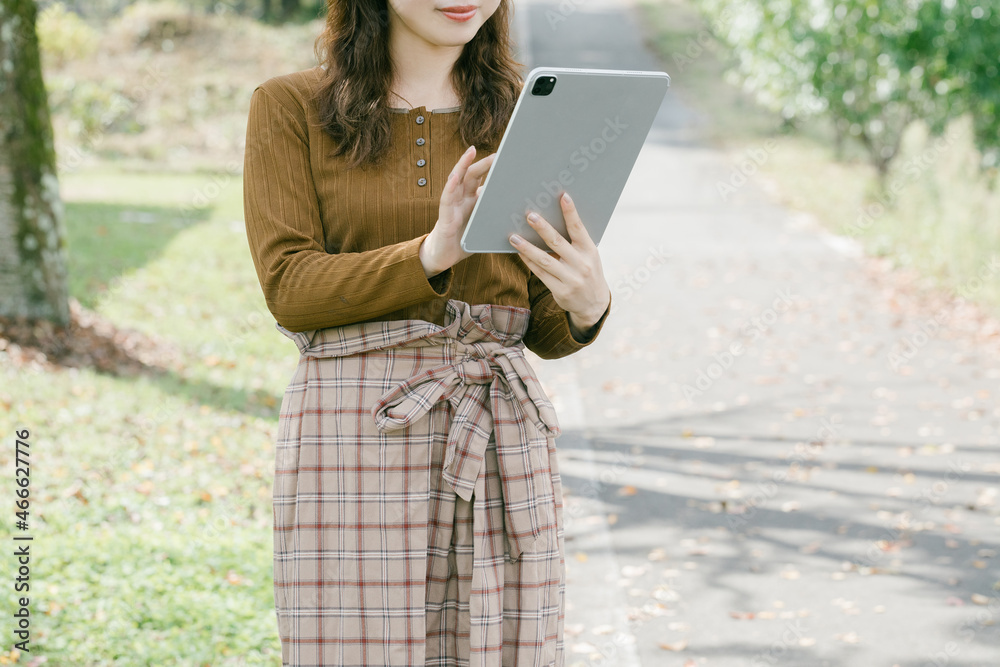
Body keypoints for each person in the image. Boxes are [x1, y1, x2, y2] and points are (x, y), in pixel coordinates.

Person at [242, 0, 613, 663]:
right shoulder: (289, 107)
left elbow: (544, 327)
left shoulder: (532, 113)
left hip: (499, 429)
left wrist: (588, 303)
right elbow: (290, 287)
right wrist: (433, 252)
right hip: (355, 431)